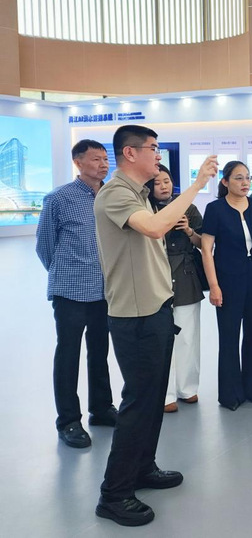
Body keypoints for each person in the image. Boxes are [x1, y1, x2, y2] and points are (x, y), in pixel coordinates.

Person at [93, 125, 218, 527]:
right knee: (138, 403)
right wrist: (197, 184)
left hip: (156, 308)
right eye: (153, 148)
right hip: (135, 315)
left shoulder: (139, 194)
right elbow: (155, 228)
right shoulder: (115, 193)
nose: (159, 155)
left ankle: (142, 467)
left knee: (150, 402)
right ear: (130, 153)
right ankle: (114, 494)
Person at [35, 139, 117, 449]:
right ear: (78, 162)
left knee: (100, 351)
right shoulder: (59, 198)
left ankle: (101, 409)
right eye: (95, 159)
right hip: (70, 291)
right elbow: (45, 245)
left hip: (105, 289)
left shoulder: (111, 195)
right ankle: (68, 421)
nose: (103, 164)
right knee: (68, 354)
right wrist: (65, 272)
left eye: (105, 159)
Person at [201, 161, 252, 410]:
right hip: (228, 279)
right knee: (229, 334)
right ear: (225, 182)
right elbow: (206, 250)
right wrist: (214, 286)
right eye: (238, 178)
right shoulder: (215, 209)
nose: (245, 183)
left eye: (247, 178)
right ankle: (230, 393)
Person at [146, 165, 204, 412]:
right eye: (157, 182)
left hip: (186, 274)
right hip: (155, 274)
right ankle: (165, 393)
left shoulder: (187, 206)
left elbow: (204, 243)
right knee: (160, 337)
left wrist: (188, 230)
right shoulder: (144, 208)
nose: (163, 186)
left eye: (167, 181)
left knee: (188, 335)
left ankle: (187, 388)